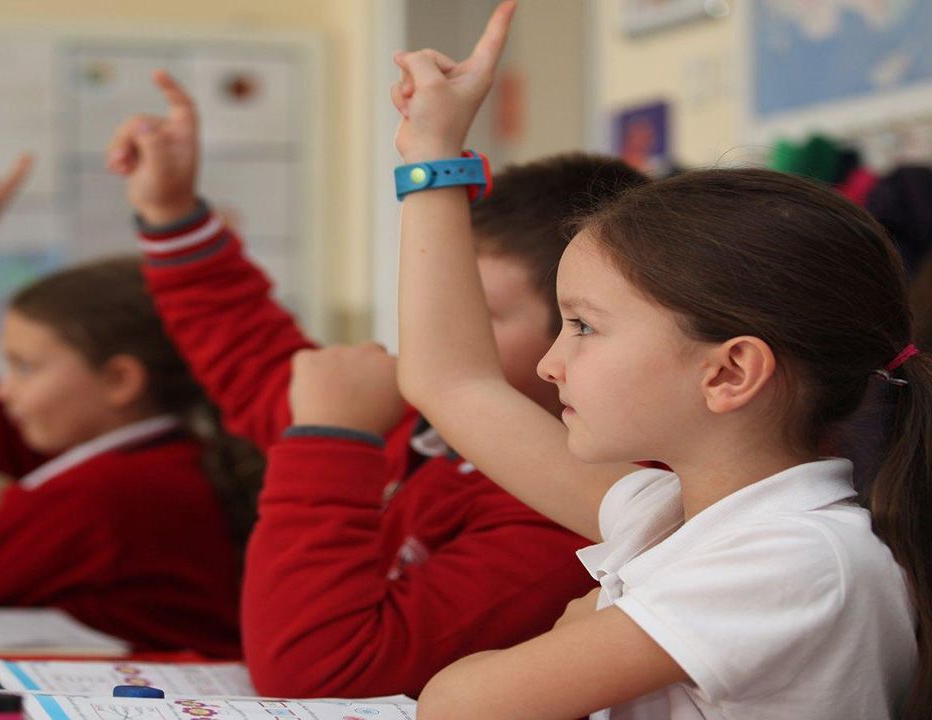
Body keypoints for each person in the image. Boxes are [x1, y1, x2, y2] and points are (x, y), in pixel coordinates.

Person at [392, 3, 925, 717]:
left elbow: (460, 704)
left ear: (729, 373)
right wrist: (432, 151)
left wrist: (580, 625)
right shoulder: (675, 514)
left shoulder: (794, 560)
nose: (550, 364)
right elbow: (451, 381)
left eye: (584, 327)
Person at [106, 72, 646, 697]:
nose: (435, 326)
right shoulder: (410, 420)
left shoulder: (576, 512)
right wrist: (172, 214)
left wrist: (330, 438)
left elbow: (322, 672)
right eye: (435, 293)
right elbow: (249, 352)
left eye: (479, 312)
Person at [0, 157, 261, 658]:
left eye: (25, 367)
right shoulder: (152, 456)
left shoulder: (108, 494)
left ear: (120, 380)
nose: (1, 390)